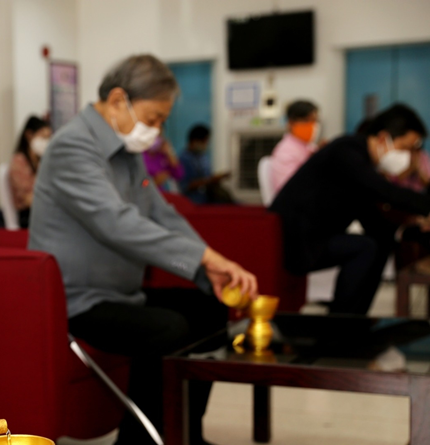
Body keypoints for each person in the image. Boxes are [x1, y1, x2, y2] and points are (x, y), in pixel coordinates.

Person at [29, 54, 258, 445]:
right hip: (76, 300)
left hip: (119, 294)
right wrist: (205, 256)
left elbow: (161, 213)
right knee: (166, 329)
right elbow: (116, 223)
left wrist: (210, 266)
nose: (155, 130)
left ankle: (185, 433)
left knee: (209, 310)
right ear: (118, 101)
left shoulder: (126, 153)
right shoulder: (72, 147)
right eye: (153, 118)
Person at [270, 103, 430, 315]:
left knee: (381, 243)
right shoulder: (346, 151)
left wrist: (409, 231)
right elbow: (383, 190)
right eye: (406, 148)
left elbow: (370, 218)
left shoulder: (360, 161)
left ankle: (356, 321)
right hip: (295, 240)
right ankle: (341, 322)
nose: (409, 156)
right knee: (365, 247)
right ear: (383, 138)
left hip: (315, 238)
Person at [270, 100, 321, 195]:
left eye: (315, 121)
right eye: (306, 120)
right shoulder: (285, 151)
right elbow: (289, 189)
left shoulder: (310, 147)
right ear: (291, 122)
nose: (313, 125)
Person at [9, 116, 51, 228]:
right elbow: (28, 199)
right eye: (43, 137)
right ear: (29, 135)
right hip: (28, 218)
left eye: (48, 138)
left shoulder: (42, 162)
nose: (46, 142)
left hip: (41, 213)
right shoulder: (19, 161)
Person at [178, 124, 232, 204]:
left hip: (209, 199)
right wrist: (210, 180)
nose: (206, 144)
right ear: (195, 141)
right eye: (205, 141)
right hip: (194, 201)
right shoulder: (184, 159)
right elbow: (186, 186)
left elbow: (207, 176)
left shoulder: (203, 157)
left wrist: (216, 179)